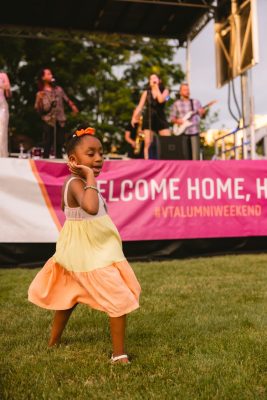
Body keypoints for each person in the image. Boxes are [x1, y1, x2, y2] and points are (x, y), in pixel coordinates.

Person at [28, 127, 141, 364]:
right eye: (91, 154)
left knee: (69, 296)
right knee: (117, 296)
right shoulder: (76, 183)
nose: (98, 158)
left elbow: (80, 212)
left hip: (87, 249)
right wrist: (89, 176)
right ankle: (118, 354)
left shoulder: (81, 184)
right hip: (87, 254)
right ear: (73, 161)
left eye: (100, 152)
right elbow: (89, 208)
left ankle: (54, 342)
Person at [35, 68, 78, 158]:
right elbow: (37, 108)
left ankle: (59, 158)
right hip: (48, 119)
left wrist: (73, 106)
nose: (51, 75)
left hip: (60, 118)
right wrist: (39, 100)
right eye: (48, 74)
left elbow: (66, 99)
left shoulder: (58, 89)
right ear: (43, 77)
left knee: (60, 140)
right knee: (48, 140)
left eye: (51, 74)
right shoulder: (41, 92)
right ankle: (45, 159)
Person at [131, 74, 170, 159]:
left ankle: (167, 159)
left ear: (159, 80)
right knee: (148, 142)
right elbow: (140, 106)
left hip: (160, 117)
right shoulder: (146, 92)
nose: (153, 79)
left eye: (155, 78)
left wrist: (156, 88)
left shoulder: (165, 90)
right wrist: (134, 117)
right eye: (151, 78)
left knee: (168, 140)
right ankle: (147, 160)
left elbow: (160, 100)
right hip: (149, 118)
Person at [170, 82, 206, 160]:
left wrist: (203, 113)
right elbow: (172, 118)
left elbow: (202, 117)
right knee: (185, 157)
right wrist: (177, 121)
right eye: (184, 90)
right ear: (180, 92)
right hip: (183, 132)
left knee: (195, 157)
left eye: (188, 89)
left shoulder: (196, 102)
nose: (187, 91)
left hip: (194, 131)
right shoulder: (176, 103)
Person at [0, 71, 11, 157]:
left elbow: (7, 88)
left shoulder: (2, 75)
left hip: (1, 106)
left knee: (2, 130)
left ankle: (2, 155)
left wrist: (7, 90)